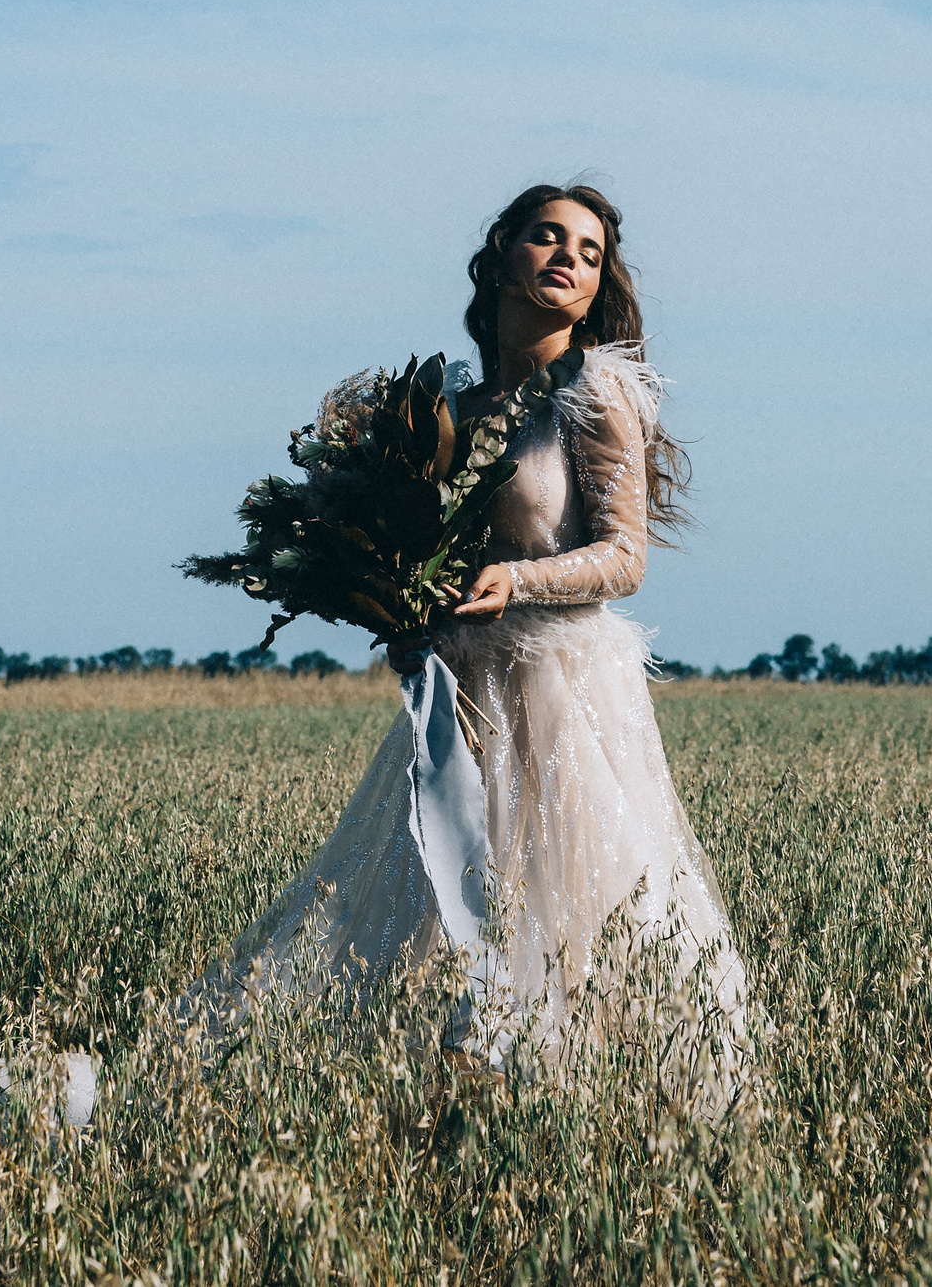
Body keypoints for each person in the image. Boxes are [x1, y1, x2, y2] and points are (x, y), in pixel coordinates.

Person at [188, 183, 748, 1066]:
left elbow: (624, 556)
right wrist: (405, 619)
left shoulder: (597, 392)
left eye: (591, 252)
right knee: (430, 917)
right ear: (500, 254)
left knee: (578, 924)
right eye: (548, 237)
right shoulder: (446, 409)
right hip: (463, 699)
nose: (569, 257)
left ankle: (578, 1108)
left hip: (563, 693)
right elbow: (425, 559)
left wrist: (519, 577)